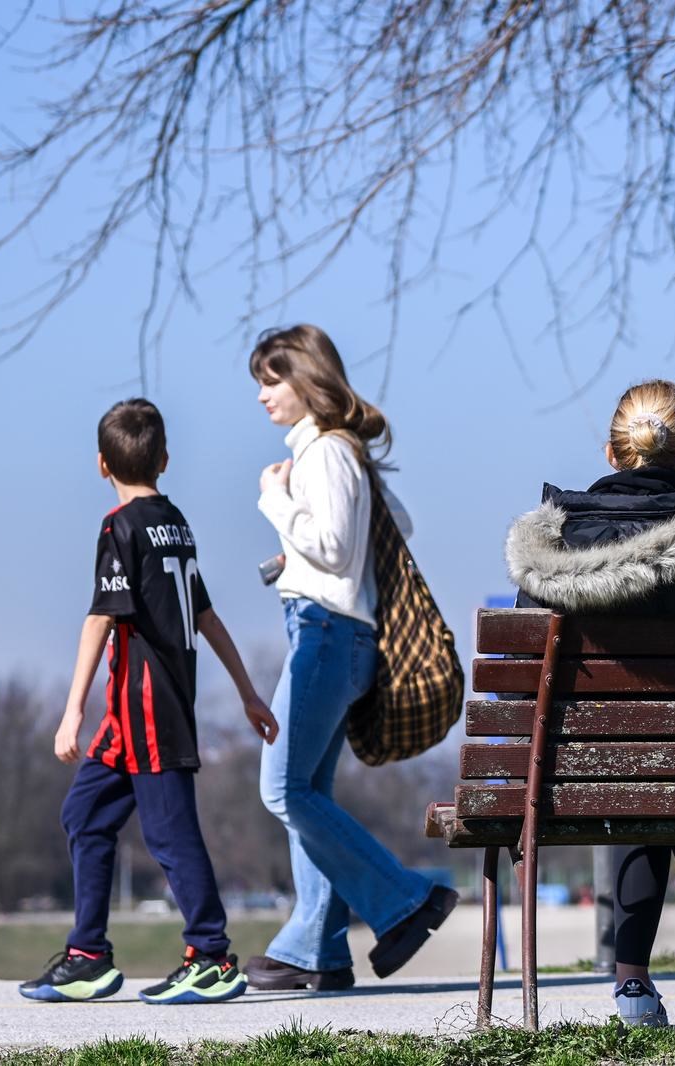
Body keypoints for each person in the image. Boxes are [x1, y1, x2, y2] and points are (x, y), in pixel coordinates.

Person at [505, 379, 675, 1026]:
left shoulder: (559, 538)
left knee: (638, 755)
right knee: (670, 746)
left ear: (609, 452)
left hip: (587, 754)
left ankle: (635, 984)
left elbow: (521, 650)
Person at [20, 399, 278, 1005]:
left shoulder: (120, 528)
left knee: (169, 835)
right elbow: (206, 614)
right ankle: (88, 956)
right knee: (84, 815)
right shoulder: (175, 522)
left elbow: (100, 620)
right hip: (137, 715)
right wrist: (246, 692)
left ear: (101, 464)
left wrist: (71, 710)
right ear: (164, 460)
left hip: (146, 709)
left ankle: (211, 956)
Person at [244, 324, 457, 992]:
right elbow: (387, 527)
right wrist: (292, 555)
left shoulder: (327, 453)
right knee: (307, 790)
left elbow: (335, 549)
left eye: (270, 380)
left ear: (307, 379)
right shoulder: (343, 453)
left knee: (280, 788)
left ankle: (405, 899)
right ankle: (318, 949)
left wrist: (276, 501)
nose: (261, 397)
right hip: (336, 632)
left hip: (326, 634)